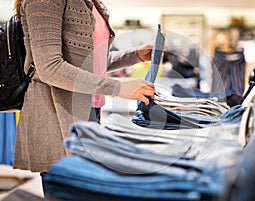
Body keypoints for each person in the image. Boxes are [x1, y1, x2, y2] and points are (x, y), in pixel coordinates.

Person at [13, 0, 159, 172]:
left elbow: (90, 61)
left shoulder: (89, 2)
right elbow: (50, 68)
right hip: (57, 111)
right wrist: (118, 88)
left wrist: (134, 55)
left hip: (89, 109)